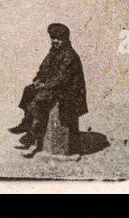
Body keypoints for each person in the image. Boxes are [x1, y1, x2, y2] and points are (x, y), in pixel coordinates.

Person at [9, 23, 88, 158]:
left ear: (66, 39)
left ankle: (34, 141)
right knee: (28, 90)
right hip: (55, 87)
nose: (55, 41)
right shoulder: (54, 51)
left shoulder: (70, 55)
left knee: (38, 103)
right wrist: (38, 79)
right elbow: (44, 68)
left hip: (68, 92)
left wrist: (44, 86)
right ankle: (26, 123)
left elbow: (62, 79)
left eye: (58, 39)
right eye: (53, 38)